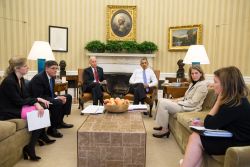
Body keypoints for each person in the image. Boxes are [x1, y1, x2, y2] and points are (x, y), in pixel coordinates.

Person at [180, 66, 250, 167]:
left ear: (226, 85)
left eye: (215, 82)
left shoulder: (235, 104)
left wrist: (218, 101)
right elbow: (218, 121)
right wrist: (202, 123)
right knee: (196, 135)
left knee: (196, 137)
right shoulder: (232, 100)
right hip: (232, 135)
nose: (212, 85)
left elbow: (210, 123)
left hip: (240, 142)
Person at [0, 57, 53, 161]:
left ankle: (35, 143)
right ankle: (31, 147)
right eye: (25, 66)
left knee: (42, 109)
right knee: (38, 113)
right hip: (7, 111)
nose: (28, 67)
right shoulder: (9, 82)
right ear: (17, 68)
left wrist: (37, 101)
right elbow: (19, 101)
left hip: (17, 107)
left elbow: (26, 96)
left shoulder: (20, 79)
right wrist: (36, 102)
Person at [153, 65, 208, 138]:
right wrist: (176, 99)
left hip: (190, 107)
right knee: (161, 99)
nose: (194, 75)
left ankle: (165, 130)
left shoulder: (202, 86)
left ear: (201, 74)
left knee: (163, 103)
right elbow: (186, 97)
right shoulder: (192, 83)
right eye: (192, 73)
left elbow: (193, 103)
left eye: (196, 73)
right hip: (185, 104)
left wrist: (178, 102)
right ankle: (162, 125)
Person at [29, 60, 73, 138]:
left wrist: (57, 96)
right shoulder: (39, 78)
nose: (55, 70)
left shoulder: (51, 76)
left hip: (47, 97)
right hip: (39, 99)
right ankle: (51, 129)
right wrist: (56, 99)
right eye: (53, 68)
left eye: (56, 68)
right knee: (58, 102)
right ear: (46, 68)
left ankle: (60, 122)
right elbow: (39, 96)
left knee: (68, 96)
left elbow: (50, 92)